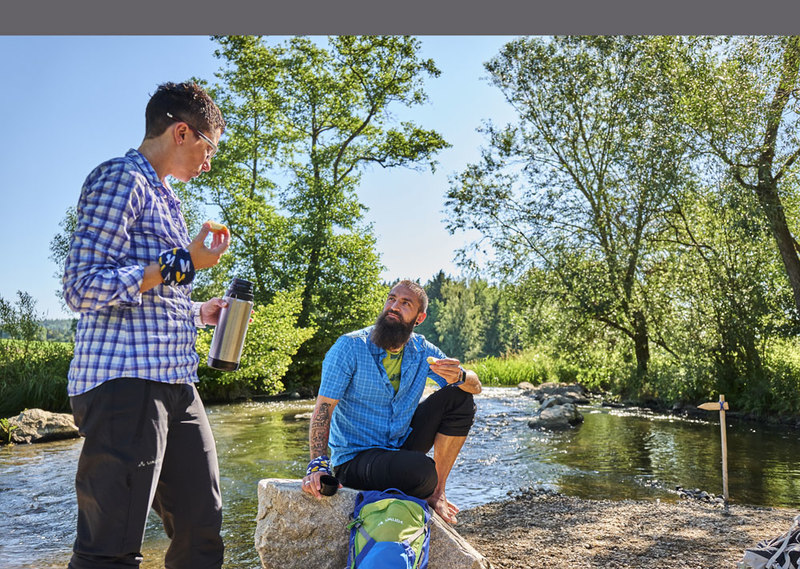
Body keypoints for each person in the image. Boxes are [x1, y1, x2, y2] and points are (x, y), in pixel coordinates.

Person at [62, 81, 230, 569]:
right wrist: (184, 263)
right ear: (182, 132)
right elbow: (81, 286)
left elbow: (150, 294)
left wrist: (199, 312)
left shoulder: (167, 199)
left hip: (176, 382)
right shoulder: (121, 178)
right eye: (209, 146)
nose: (209, 161)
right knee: (110, 548)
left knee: (201, 527)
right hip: (125, 385)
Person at [301, 279, 481, 524]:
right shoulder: (350, 347)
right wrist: (318, 466)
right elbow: (323, 410)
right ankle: (427, 484)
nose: (394, 306)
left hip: (399, 446)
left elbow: (476, 386)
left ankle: (438, 492)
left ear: (419, 318)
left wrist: (460, 376)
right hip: (356, 460)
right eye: (391, 299)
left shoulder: (422, 350)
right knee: (423, 471)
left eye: (405, 303)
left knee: (460, 396)